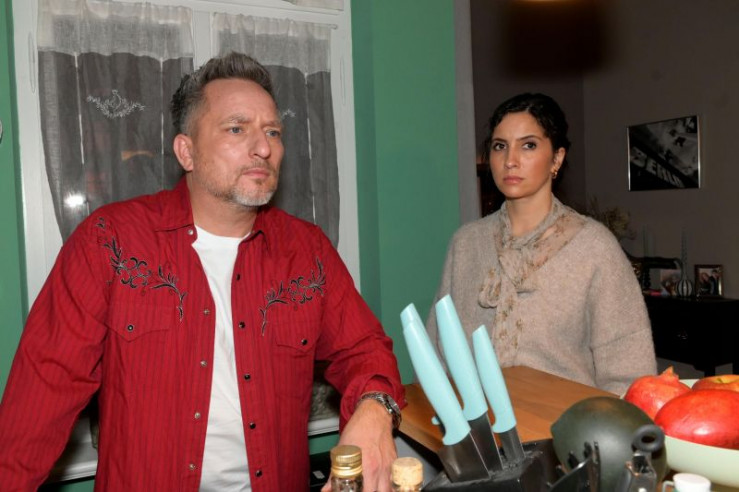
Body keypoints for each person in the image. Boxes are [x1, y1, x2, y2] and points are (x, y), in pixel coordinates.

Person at [0, 52, 405, 491]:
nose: (264, 147)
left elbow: (365, 349)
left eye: (273, 131)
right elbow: (42, 392)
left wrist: (375, 408)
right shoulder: (110, 242)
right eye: (237, 129)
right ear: (186, 151)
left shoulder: (308, 252)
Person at [426, 93, 657, 395]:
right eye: (500, 146)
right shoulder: (466, 244)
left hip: (569, 422)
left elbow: (630, 370)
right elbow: (437, 353)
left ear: (556, 158)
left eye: (529, 145)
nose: (510, 161)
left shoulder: (594, 247)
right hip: (476, 423)